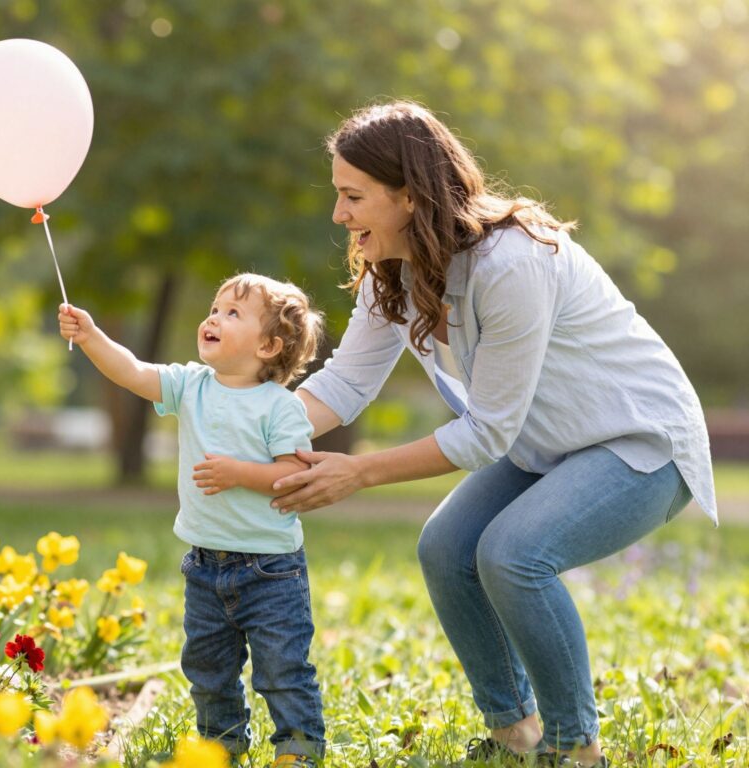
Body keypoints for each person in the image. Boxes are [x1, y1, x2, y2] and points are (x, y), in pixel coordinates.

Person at [268, 101, 717, 767]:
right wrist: (245, 427)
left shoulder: (511, 261)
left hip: (639, 441)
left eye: (353, 196)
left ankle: (574, 748)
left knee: (513, 555)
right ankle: (516, 734)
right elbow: (344, 385)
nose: (340, 216)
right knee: (446, 548)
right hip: (541, 442)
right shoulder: (388, 266)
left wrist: (358, 472)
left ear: (409, 196)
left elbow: (484, 434)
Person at [58, 273, 327, 768]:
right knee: (207, 667)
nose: (213, 317)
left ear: (268, 345)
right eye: (215, 307)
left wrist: (239, 473)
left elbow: (293, 475)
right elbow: (133, 372)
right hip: (204, 566)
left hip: (271, 570)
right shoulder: (189, 385)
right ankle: (220, 744)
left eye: (232, 313)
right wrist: (91, 335)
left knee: (282, 668)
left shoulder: (281, 408)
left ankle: (298, 748)